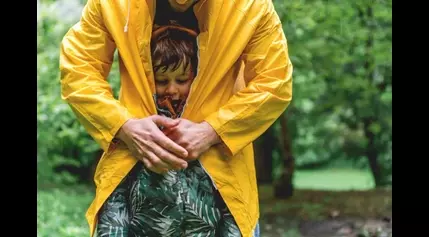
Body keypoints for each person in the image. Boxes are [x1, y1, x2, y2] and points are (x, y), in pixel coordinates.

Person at [59, 0, 293, 236]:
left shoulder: (251, 5)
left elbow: (274, 83)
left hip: (223, 178)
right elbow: (79, 68)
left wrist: (212, 131)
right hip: (133, 171)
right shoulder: (113, 3)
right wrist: (124, 126)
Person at [96, 24, 241, 237]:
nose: (172, 90)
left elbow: (232, 199)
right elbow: (115, 195)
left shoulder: (210, 130)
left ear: (196, 78)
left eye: (182, 80)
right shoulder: (137, 131)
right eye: (162, 81)